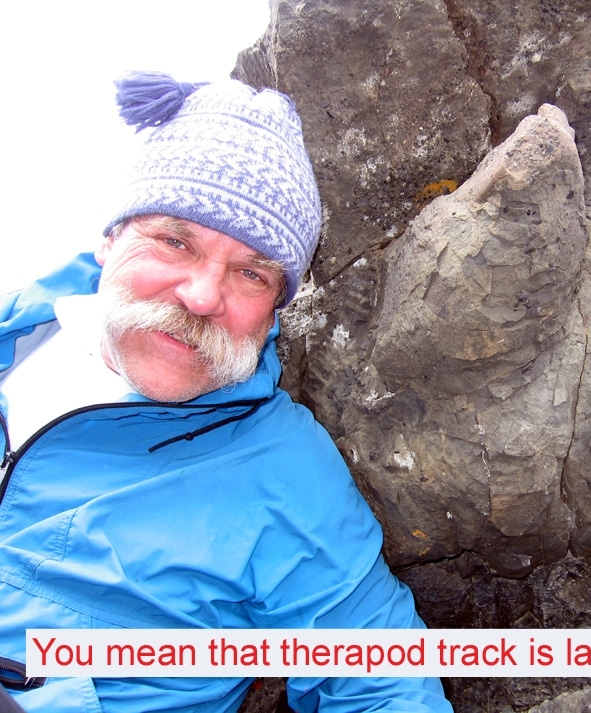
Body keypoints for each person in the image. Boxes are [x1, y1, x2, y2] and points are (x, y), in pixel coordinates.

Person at [0, 72, 451, 713]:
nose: (203, 296)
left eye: (250, 273)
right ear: (109, 239)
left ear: (274, 314)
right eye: (175, 240)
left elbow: (384, 681)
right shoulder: (15, 332)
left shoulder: (284, 473)